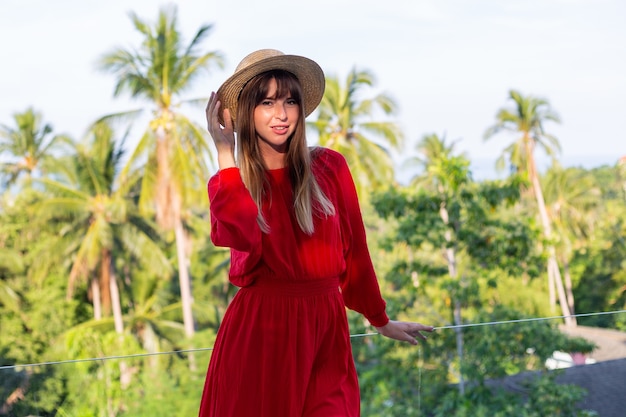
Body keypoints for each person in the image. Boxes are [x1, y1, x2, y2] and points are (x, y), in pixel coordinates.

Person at [199, 49, 433, 417]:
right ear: (245, 111)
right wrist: (225, 151)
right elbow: (241, 234)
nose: (282, 114)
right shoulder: (232, 183)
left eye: (290, 100)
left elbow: (356, 254)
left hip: (325, 327)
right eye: (267, 102)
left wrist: (380, 319)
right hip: (264, 332)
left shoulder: (329, 166)